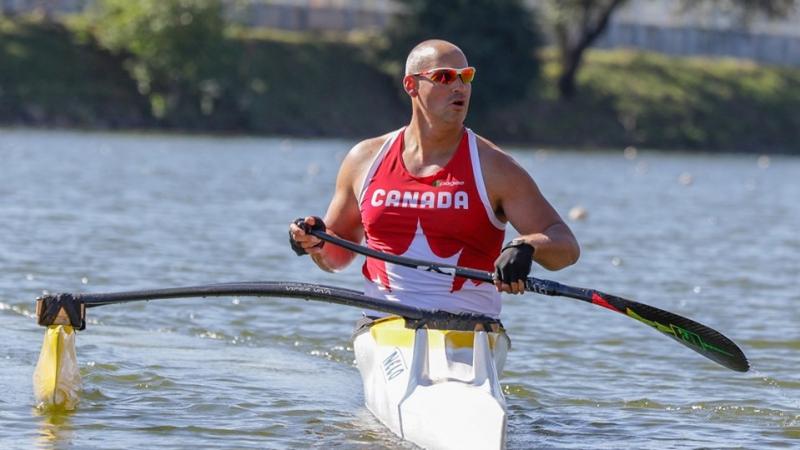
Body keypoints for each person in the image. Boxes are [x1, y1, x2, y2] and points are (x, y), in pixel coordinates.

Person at [289, 39, 579, 319]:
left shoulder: (495, 167)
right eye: (444, 77)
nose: (459, 87)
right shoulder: (363, 159)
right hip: (383, 328)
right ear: (411, 85)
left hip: (470, 331)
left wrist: (527, 246)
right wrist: (315, 242)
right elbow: (339, 253)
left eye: (465, 77)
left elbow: (566, 246)